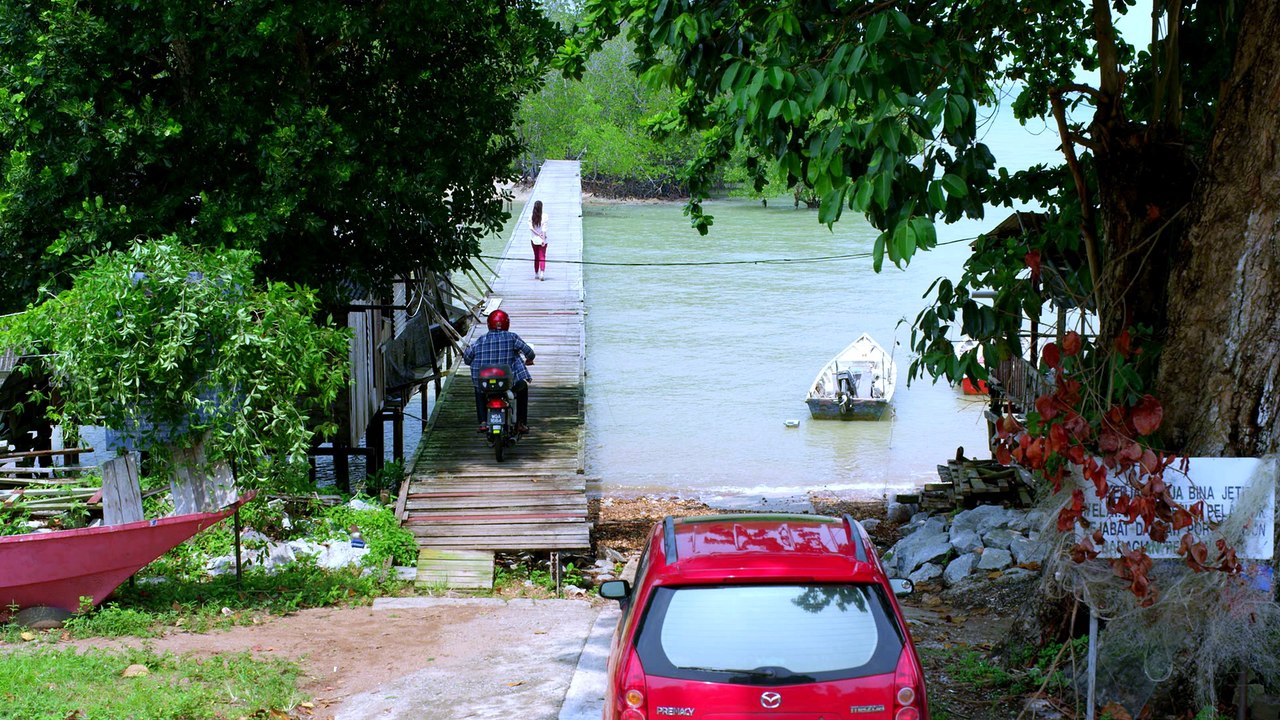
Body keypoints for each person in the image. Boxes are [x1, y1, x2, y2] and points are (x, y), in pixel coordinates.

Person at [463, 309, 535, 434]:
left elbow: (467, 358)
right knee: (522, 387)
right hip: (507, 384)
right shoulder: (512, 337)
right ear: (506, 324)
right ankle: (521, 424)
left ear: (489, 324)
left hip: (486, 384)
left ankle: (483, 422)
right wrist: (529, 359)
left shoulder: (481, 340)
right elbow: (529, 352)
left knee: (478, 390)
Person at [530, 199, 548, 281]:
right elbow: (544, 229)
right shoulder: (544, 216)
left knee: (536, 256)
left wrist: (537, 234)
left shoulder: (531, 216)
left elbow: (531, 228)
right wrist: (543, 238)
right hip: (542, 240)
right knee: (542, 256)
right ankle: (542, 273)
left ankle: (536, 273)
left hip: (534, 239)